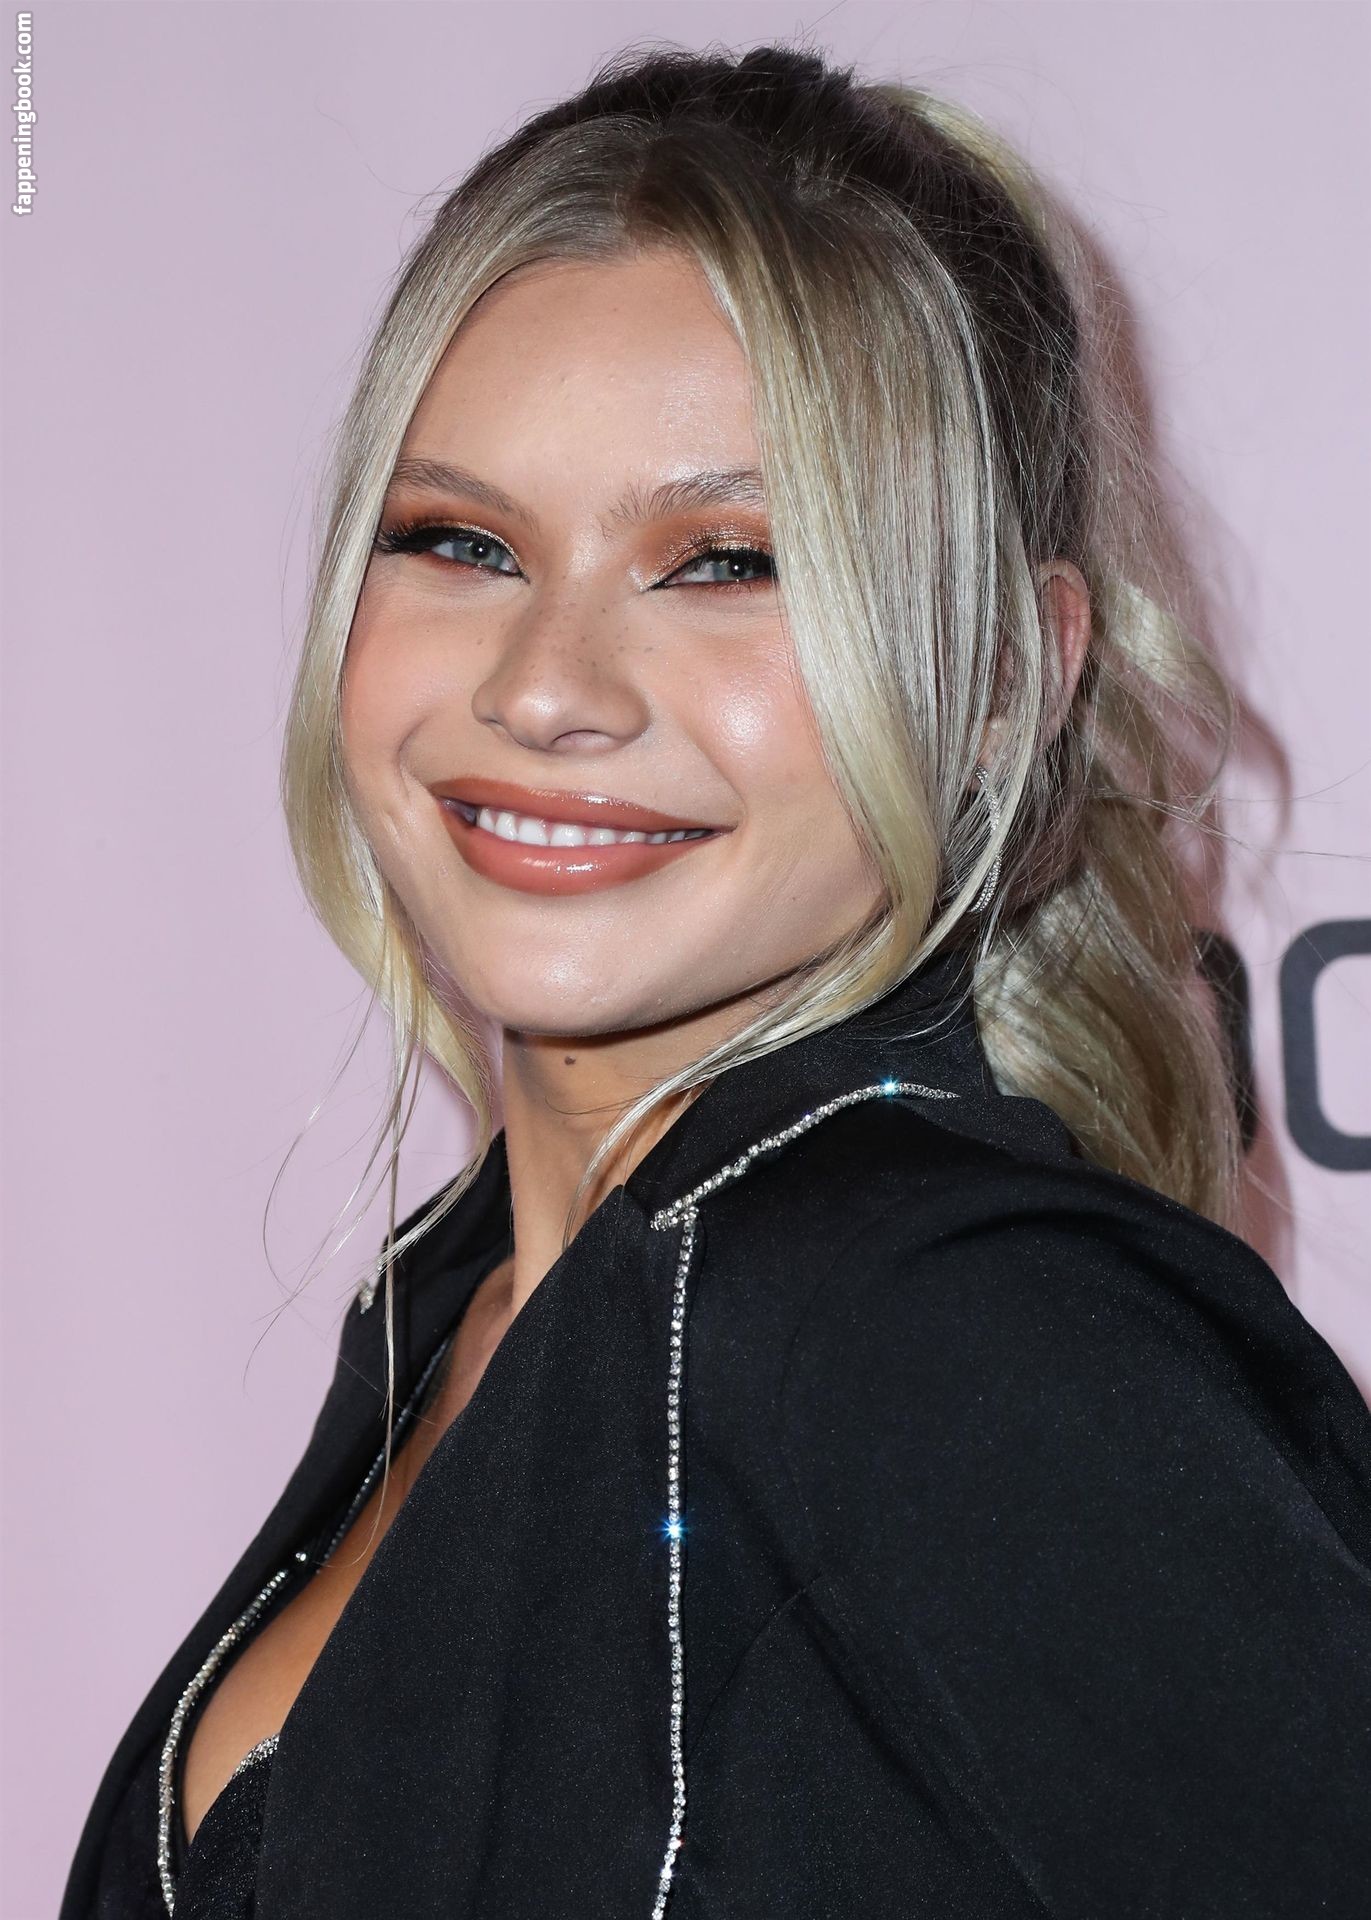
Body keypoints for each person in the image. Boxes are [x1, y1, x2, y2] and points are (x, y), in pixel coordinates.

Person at [61, 40, 1371, 1920]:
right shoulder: (464, 1308)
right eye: (461, 542)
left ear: (1008, 679)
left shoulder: (958, 1332)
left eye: (726, 562)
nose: (545, 688)